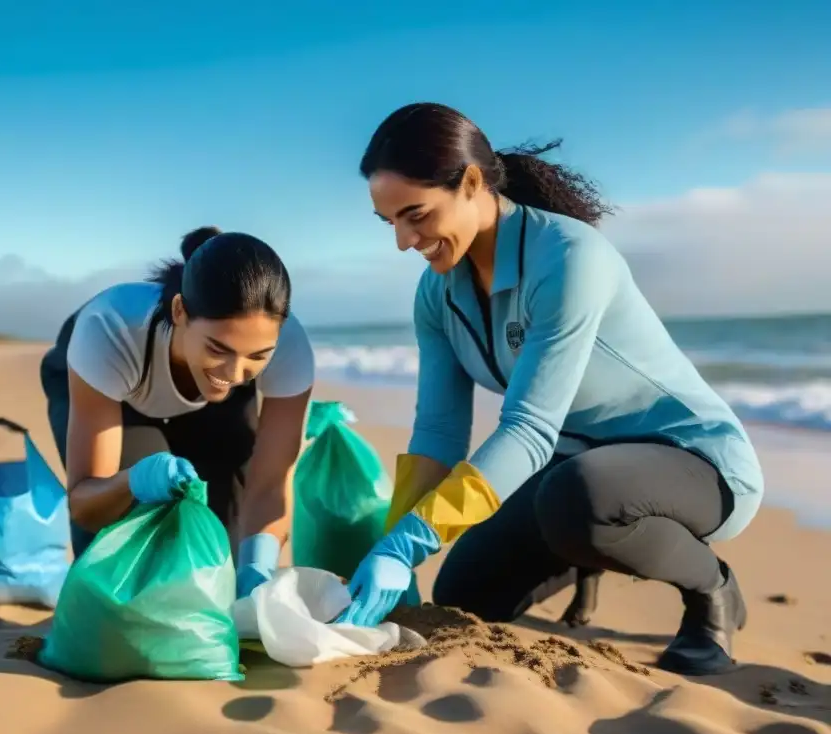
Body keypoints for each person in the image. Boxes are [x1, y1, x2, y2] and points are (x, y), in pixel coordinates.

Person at [335, 103, 764, 677]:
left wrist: (409, 542)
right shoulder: (436, 295)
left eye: (416, 215)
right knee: (465, 591)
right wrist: (398, 546)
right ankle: (587, 545)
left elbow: (529, 431)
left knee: (579, 502)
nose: (404, 241)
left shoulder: (568, 257)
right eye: (390, 223)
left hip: (695, 464)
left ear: (469, 184)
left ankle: (712, 590)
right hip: (573, 471)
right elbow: (438, 431)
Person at [39, 227, 315, 600]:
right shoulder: (110, 327)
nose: (234, 374)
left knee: (218, 567)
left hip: (202, 392)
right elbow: (86, 505)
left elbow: (269, 487)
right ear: (180, 311)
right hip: (120, 387)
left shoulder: (287, 345)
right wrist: (135, 480)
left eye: (257, 357)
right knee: (140, 538)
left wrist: (259, 567)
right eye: (219, 348)